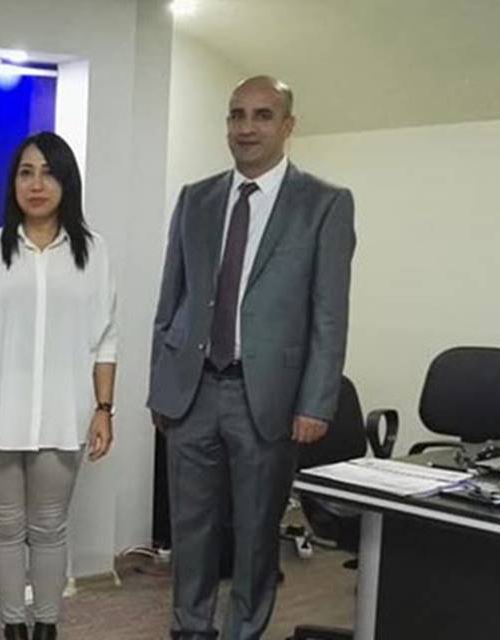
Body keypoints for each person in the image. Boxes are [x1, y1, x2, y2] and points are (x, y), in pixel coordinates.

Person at [147, 75, 356, 640]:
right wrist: (161, 385)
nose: (246, 127)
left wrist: (316, 401)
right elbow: (171, 298)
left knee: (257, 533)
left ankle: (243, 632)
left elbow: (329, 314)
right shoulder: (196, 198)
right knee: (190, 530)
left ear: (288, 125)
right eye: (236, 115)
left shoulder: (324, 204)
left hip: (266, 398)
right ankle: (190, 629)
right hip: (192, 390)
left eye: (263, 115)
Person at [0, 132, 117, 640]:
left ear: (67, 182)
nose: (36, 184)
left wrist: (104, 408)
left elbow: (106, 340)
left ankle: (46, 626)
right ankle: (13, 627)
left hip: (64, 414)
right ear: (13, 183)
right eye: (26, 173)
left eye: (48, 173)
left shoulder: (93, 252)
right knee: (5, 526)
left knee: (48, 527)